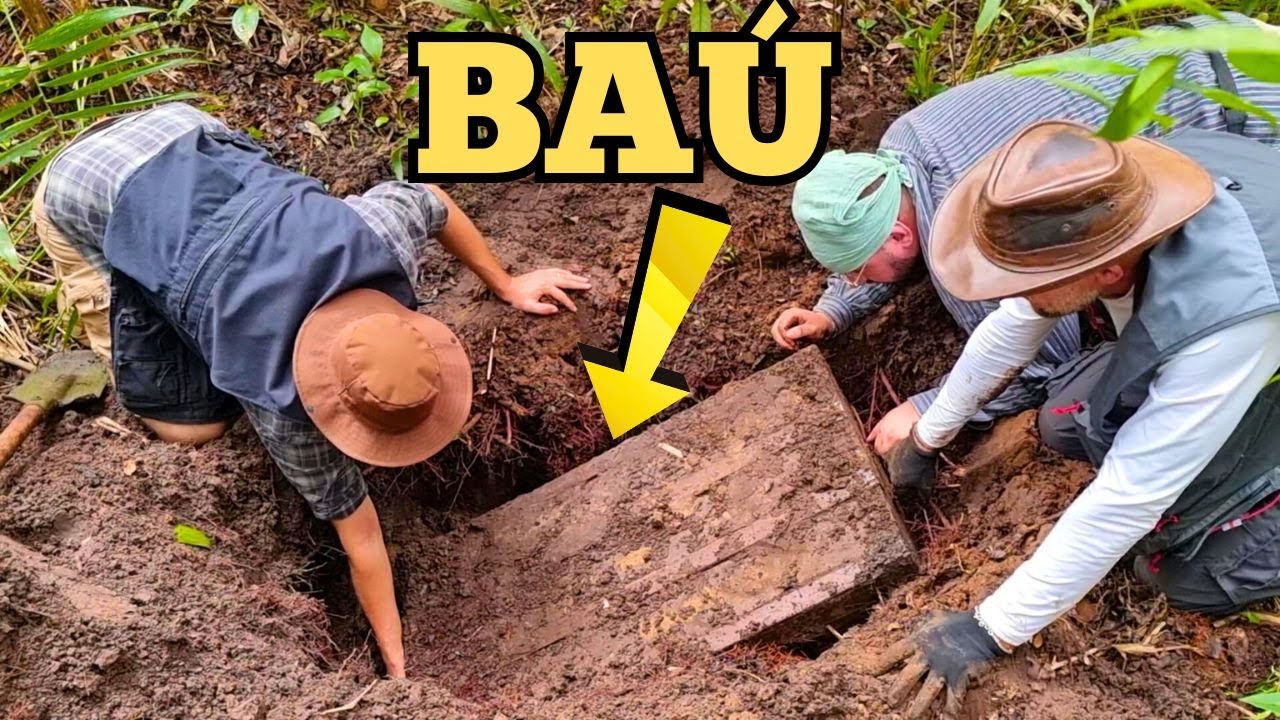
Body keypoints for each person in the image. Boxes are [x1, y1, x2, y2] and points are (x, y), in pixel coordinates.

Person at [31, 102, 592, 678]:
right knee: (193, 428)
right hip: (87, 190)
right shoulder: (284, 414)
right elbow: (361, 541)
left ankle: (193, 293)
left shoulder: (378, 235)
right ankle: (155, 307)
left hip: (187, 130)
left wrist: (507, 283)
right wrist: (397, 665)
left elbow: (431, 198)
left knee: (206, 317)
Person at [874, 119, 1280, 715]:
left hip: (1251, 333)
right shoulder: (1115, 201)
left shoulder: (1229, 315)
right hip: (1234, 343)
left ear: (1108, 271)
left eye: (1029, 282)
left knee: (1183, 574)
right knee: (1068, 422)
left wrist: (991, 628)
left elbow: (1132, 493)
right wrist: (927, 438)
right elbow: (1014, 325)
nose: (1012, 292)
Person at [771, 12, 1280, 458]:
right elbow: (884, 239)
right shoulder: (903, 146)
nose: (855, 282)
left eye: (855, 272)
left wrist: (925, 411)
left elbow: (1042, 359)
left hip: (1252, 118)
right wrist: (833, 310)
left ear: (902, 237)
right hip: (1226, 41)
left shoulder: (978, 227)